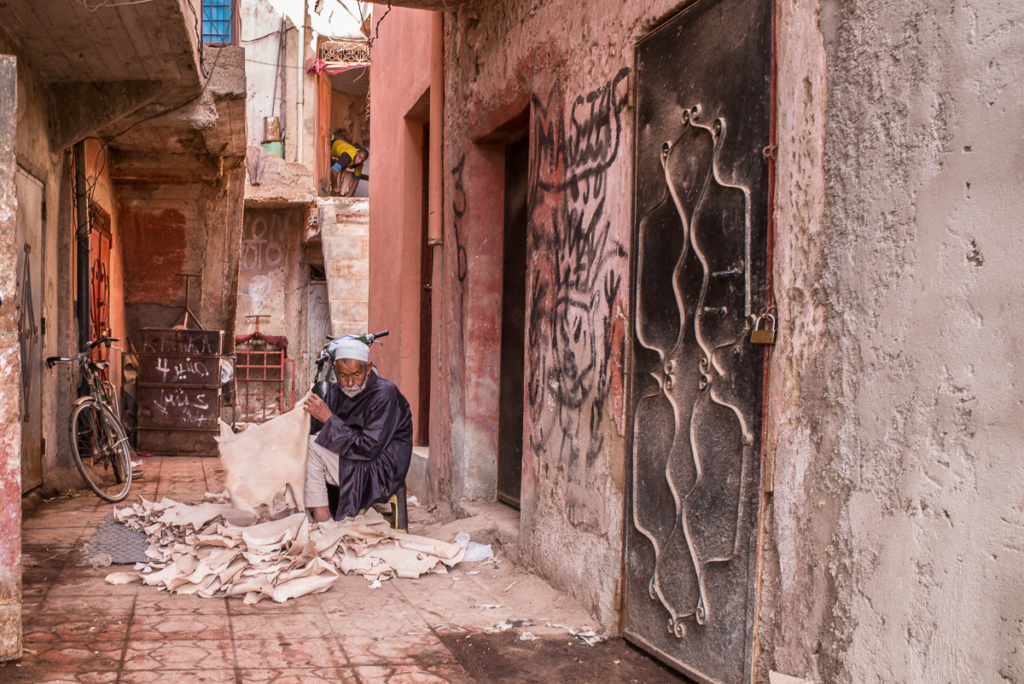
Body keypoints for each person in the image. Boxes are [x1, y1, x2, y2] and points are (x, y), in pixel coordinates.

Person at [303, 335, 412, 522]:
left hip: (381, 467)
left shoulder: (385, 394)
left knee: (313, 446)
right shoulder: (338, 391)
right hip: (356, 457)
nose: (350, 383)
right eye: (343, 376)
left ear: (368, 368)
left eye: (356, 374)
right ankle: (316, 512)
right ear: (336, 369)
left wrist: (328, 419)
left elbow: (369, 447)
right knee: (303, 444)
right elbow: (315, 423)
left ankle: (322, 517)